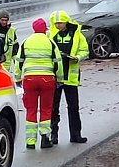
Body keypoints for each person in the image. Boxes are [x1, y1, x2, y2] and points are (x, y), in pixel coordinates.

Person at [15, 18, 64, 149]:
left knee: (31, 110)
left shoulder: (26, 42)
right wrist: (60, 79)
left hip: (30, 80)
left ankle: (30, 141)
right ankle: (45, 138)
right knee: (46, 109)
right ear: (45, 29)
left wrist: (18, 78)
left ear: (33, 29)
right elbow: (58, 62)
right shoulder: (50, 43)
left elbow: (19, 61)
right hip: (47, 80)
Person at [49, 10, 90, 144]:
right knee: (53, 107)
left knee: (73, 107)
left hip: (71, 76)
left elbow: (85, 51)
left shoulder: (77, 35)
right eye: (56, 23)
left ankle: (76, 135)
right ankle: (53, 135)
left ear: (66, 22)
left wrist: (77, 58)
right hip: (56, 77)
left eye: (60, 23)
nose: (57, 25)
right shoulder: (51, 35)